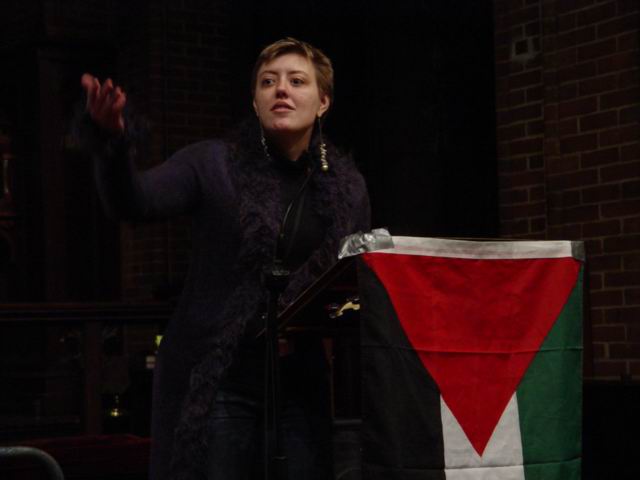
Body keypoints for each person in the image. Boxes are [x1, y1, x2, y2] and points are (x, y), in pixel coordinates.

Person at [78, 37, 370, 480]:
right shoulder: (213, 163)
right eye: (268, 82)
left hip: (298, 381)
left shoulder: (346, 188)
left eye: (297, 81)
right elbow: (133, 201)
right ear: (254, 101)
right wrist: (112, 139)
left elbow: (351, 280)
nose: (281, 89)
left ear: (323, 101)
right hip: (217, 379)